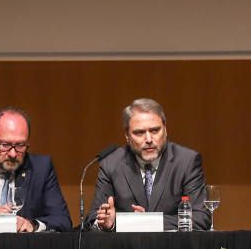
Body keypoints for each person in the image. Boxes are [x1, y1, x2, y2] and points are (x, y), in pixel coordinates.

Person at [88, 98, 209, 231]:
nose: (149, 139)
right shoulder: (111, 164)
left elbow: (200, 218)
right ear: (127, 136)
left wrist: (146, 221)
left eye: (155, 131)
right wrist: (107, 223)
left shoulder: (187, 161)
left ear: (165, 129)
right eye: (139, 133)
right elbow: (93, 219)